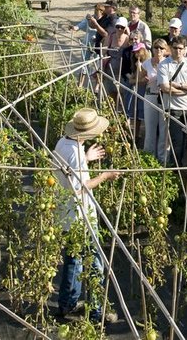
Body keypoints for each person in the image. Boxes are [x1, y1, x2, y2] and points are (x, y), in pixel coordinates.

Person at [54, 108, 121, 323]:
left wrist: (86, 158)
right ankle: (95, 312)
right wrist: (104, 176)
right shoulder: (74, 151)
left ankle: (67, 304)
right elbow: (79, 187)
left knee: (73, 261)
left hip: (66, 214)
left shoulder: (63, 144)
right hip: (79, 216)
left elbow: (71, 169)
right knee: (94, 265)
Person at [156, 36, 187, 166]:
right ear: (171, 48)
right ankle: (175, 169)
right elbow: (165, 88)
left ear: (185, 49)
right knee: (177, 140)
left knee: (184, 140)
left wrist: (179, 85)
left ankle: (178, 166)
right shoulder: (164, 64)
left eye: (180, 48)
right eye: (175, 48)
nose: (177, 51)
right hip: (172, 107)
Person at [141, 40, 170, 163]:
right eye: (156, 47)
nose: (158, 50)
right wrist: (144, 79)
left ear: (165, 50)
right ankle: (148, 157)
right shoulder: (146, 63)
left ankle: (163, 159)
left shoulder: (169, 63)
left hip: (164, 97)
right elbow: (139, 79)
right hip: (150, 96)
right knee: (150, 128)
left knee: (164, 129)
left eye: (161, 48)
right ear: (152, 49)